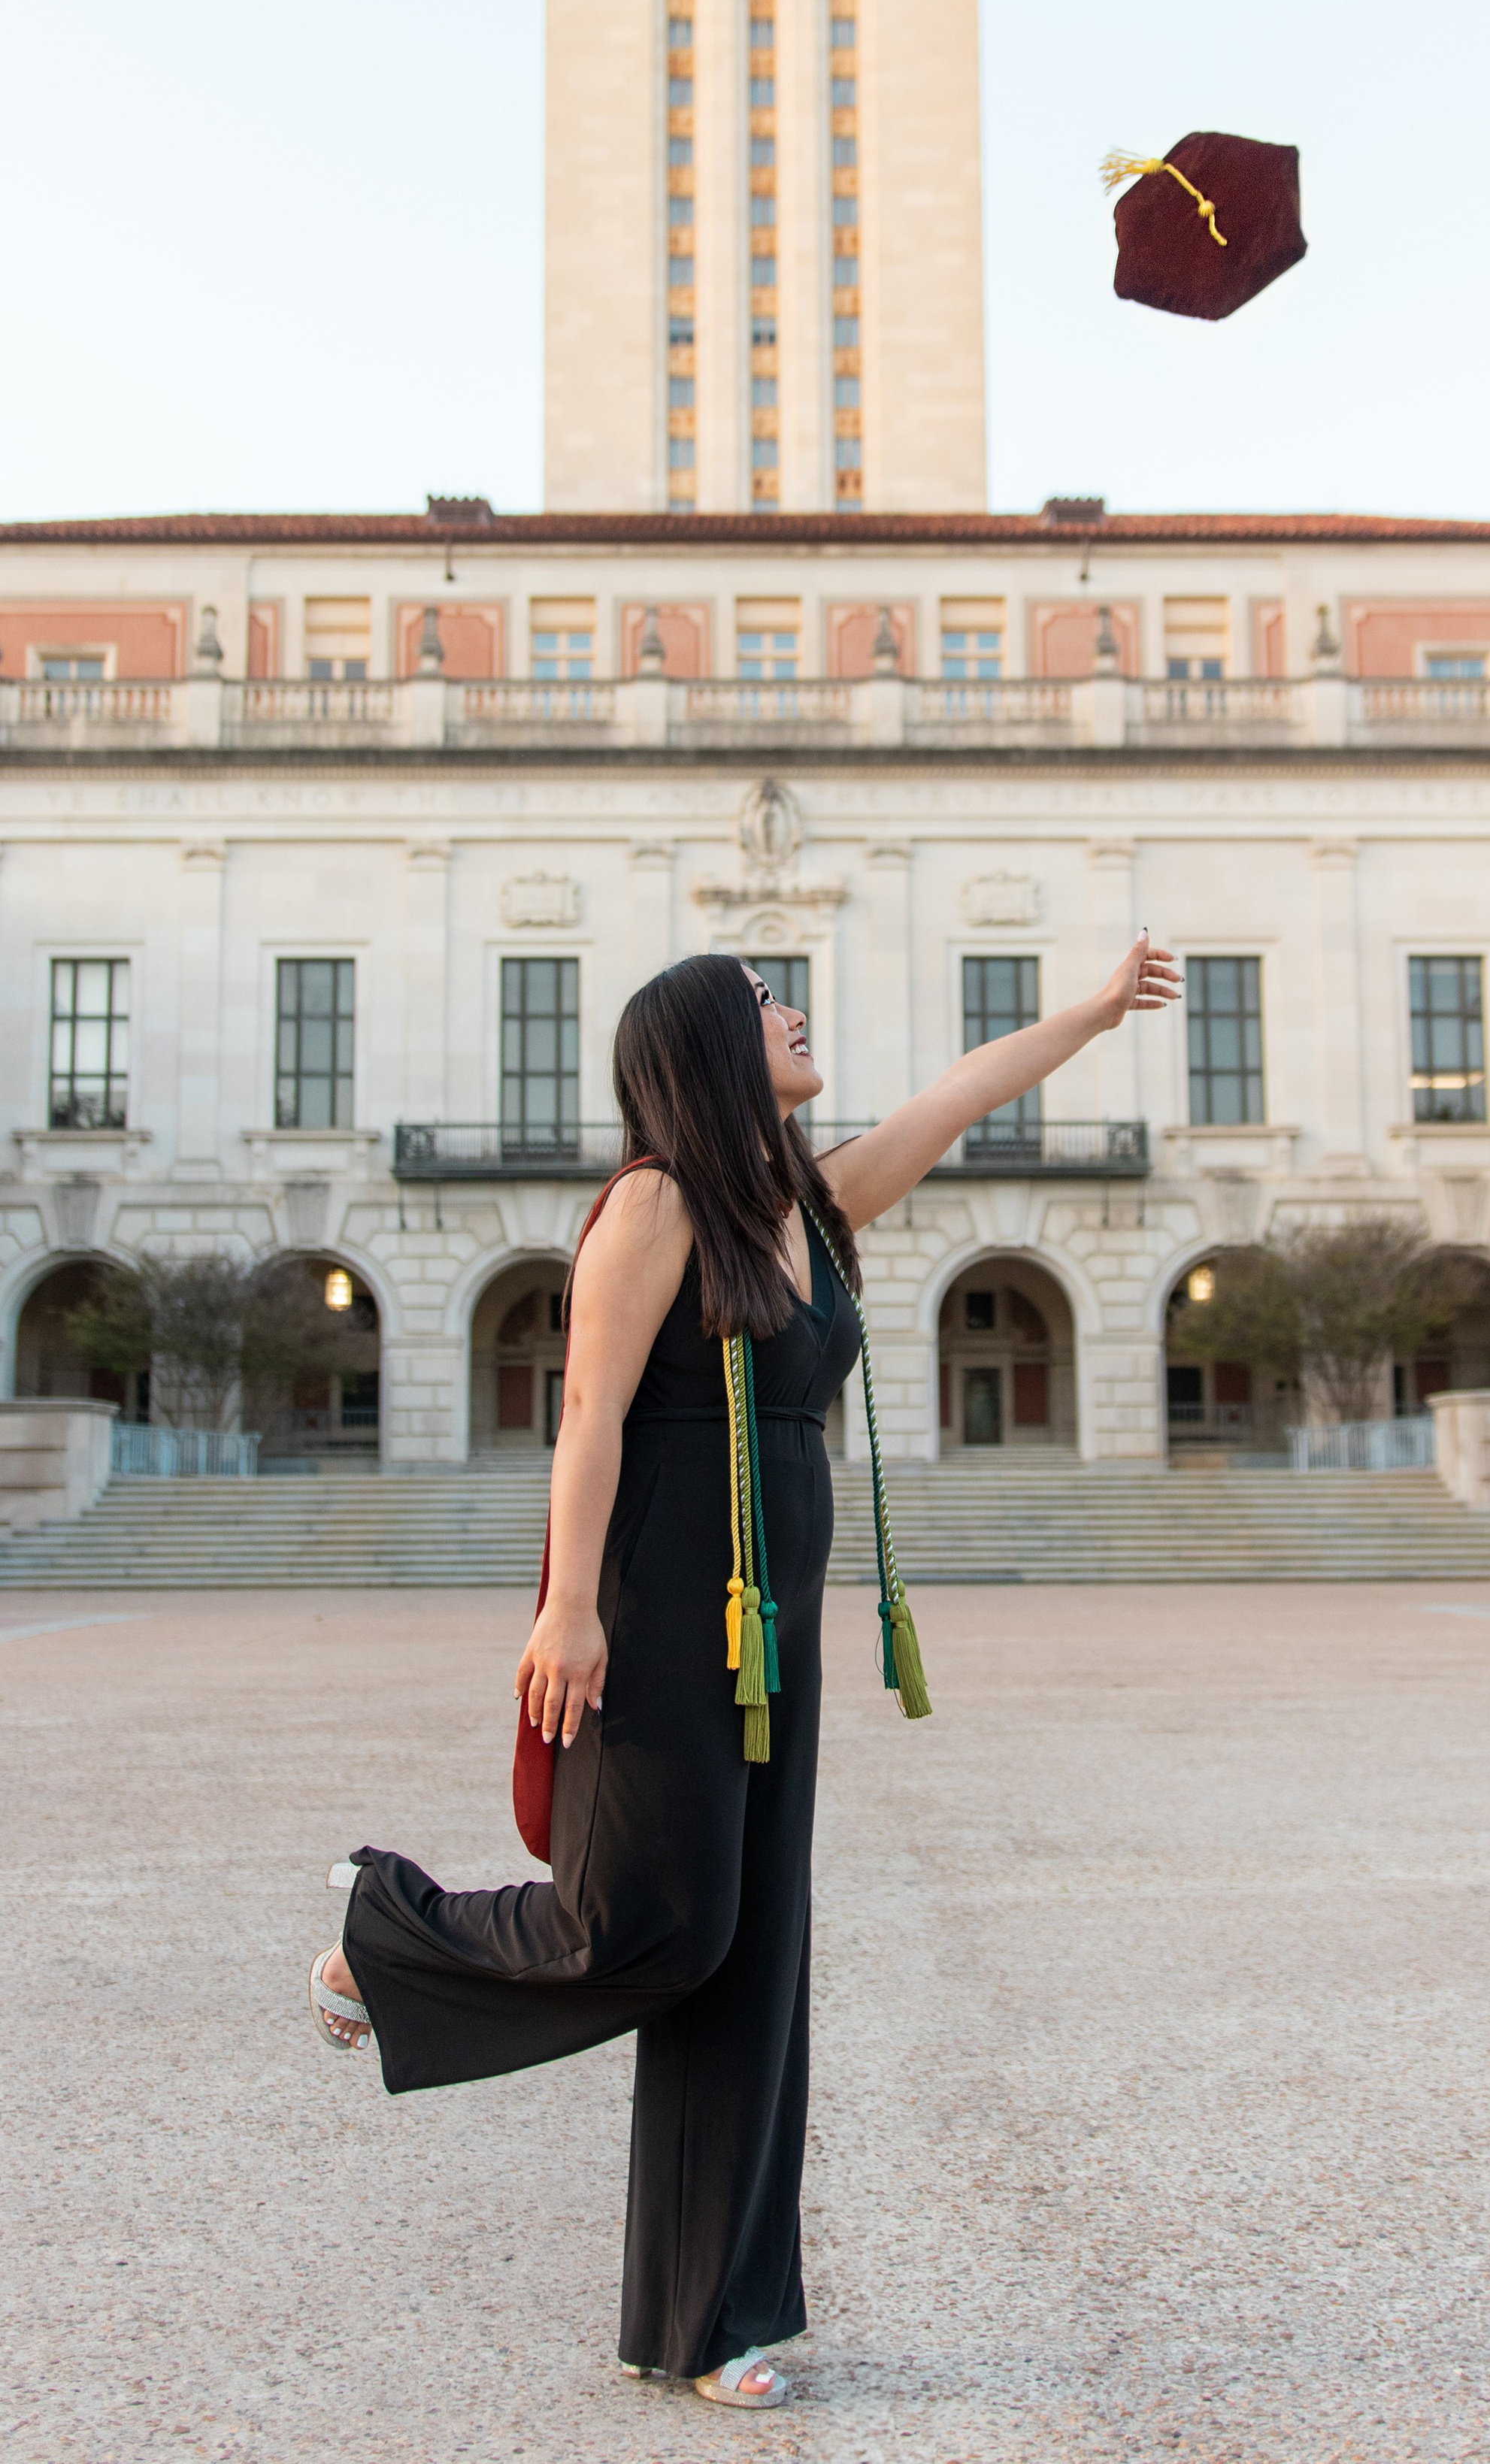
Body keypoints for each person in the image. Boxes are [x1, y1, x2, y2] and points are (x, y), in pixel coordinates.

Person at [307, 936, 1180, 2409]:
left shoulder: (809, 1208)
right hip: (658, 1605)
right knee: (649, 1926)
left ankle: (710, 2320)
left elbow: (961, 1094)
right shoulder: (657, 1203)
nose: (794, 1012)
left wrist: (1093, 1012)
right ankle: (385, 1937)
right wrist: (567, 1607)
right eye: (765, 1003)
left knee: (754, 1956)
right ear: (711, 1046)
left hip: (774, 1620)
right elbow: (589, 1411)